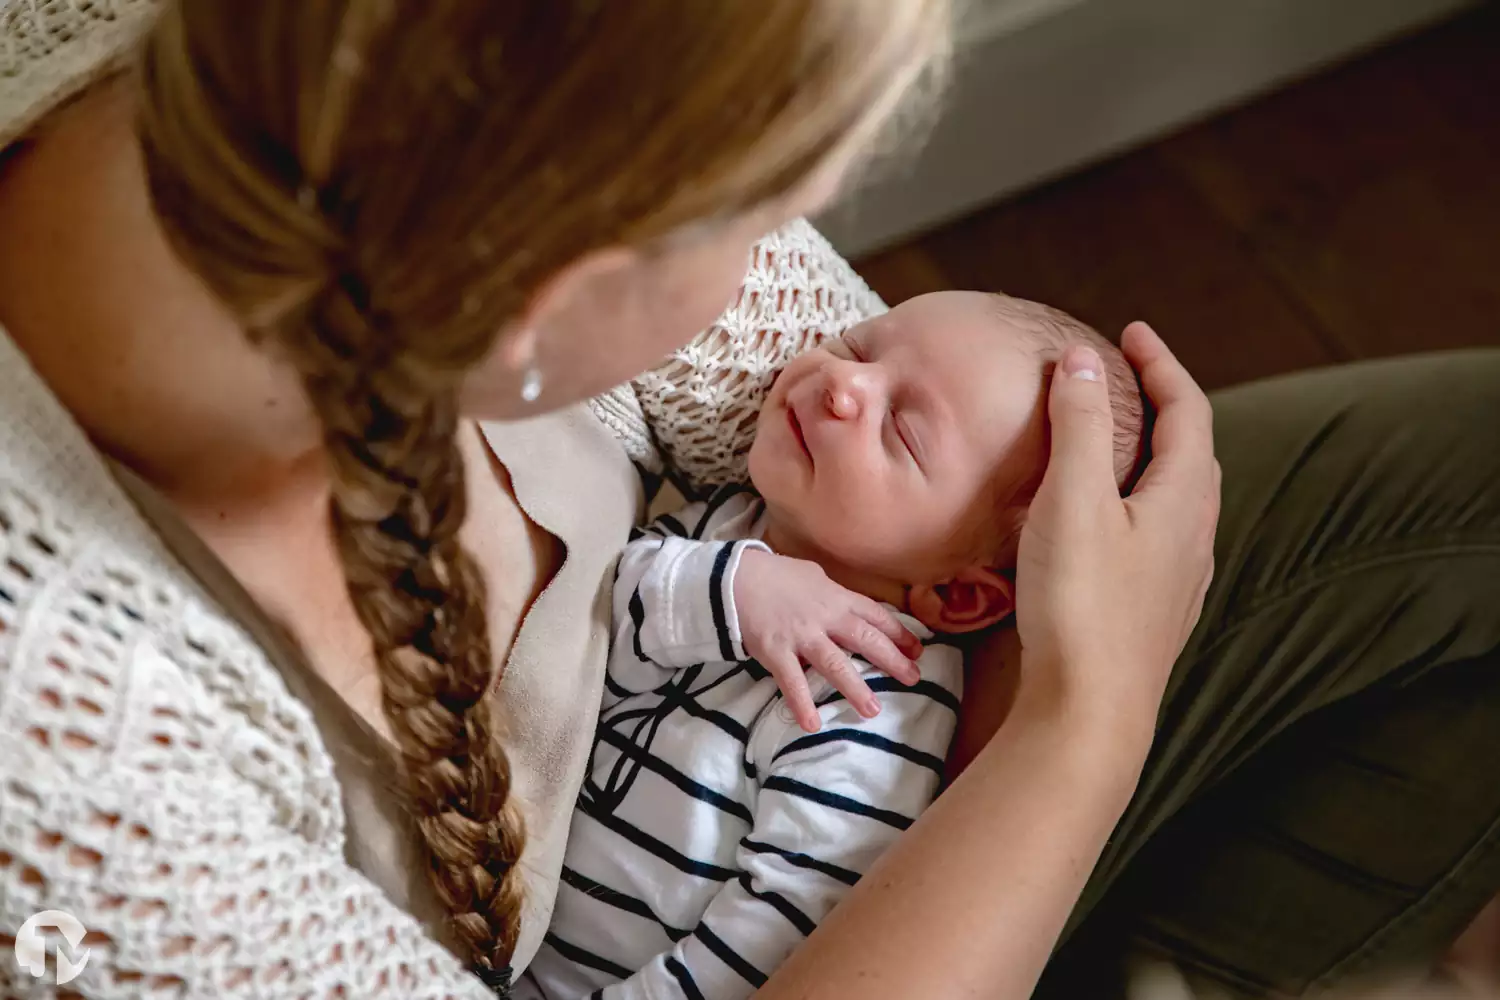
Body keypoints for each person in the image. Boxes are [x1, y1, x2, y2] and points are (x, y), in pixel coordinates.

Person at [0, 3, 1494, 1000]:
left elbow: (884, 513)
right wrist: (1087, 718)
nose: (812, 316)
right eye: (766, 206)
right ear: (542, 296)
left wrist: (990, 670)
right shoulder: (80, 774)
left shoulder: (385, 108)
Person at [528, 291, 1143, 1000]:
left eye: (901, 434)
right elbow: (584, 626)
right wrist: (738, 589)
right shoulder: (730, 526)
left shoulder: (879, 702)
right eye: (859, 347)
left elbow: (776, 926)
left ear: (958, 595)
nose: (845, 384)